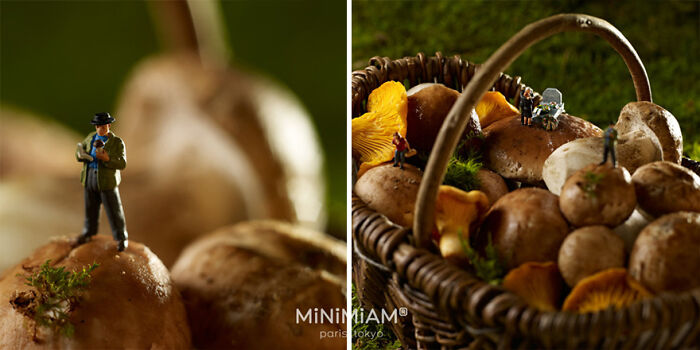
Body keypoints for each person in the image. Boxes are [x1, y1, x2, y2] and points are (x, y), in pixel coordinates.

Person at [75, 112, 128, 251]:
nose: (101, 129)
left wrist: (108, 159)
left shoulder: (116, 143)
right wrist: (81, 155)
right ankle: (88, 232)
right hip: (90, 178)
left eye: (103, 126)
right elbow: (79, 150)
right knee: (90, 209)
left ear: (109, 125)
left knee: (114, 210)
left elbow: (122, 163)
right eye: (98, 126)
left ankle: (121, 238)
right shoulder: (90, 138)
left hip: (107, 181)